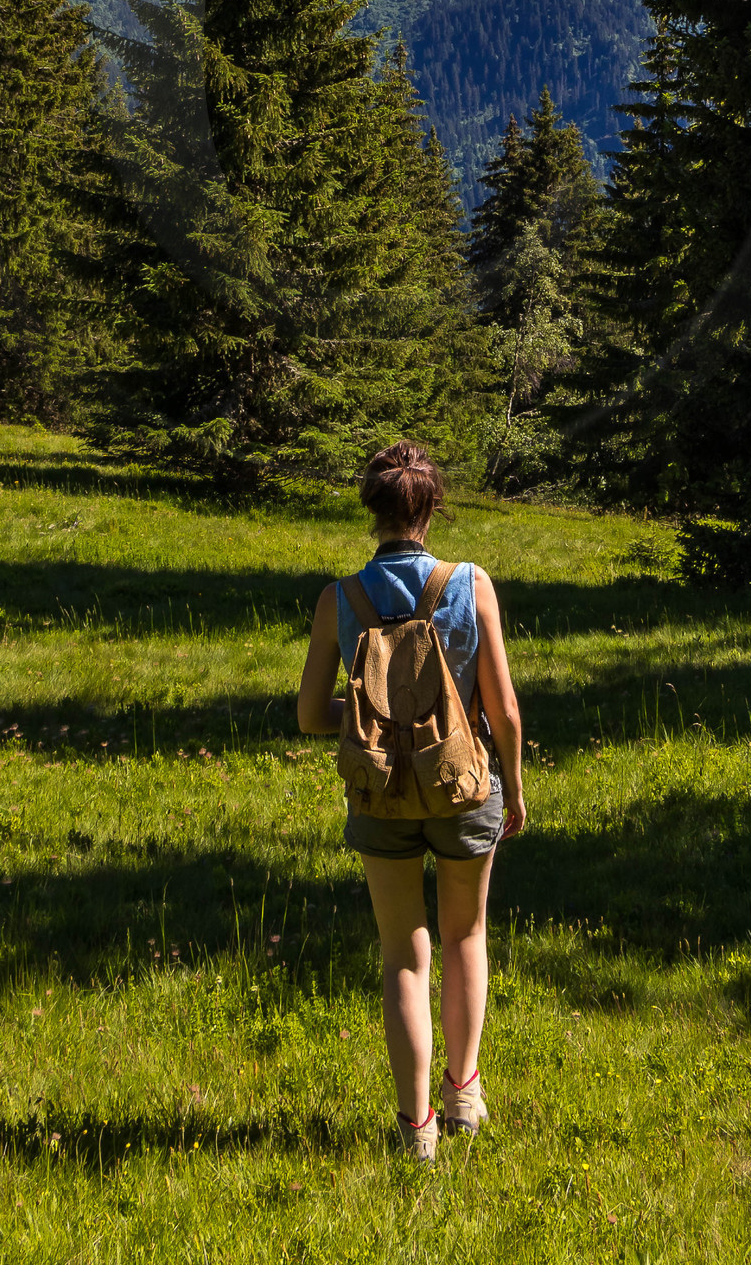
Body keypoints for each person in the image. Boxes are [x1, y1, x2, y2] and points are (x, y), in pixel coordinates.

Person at [296, 439, 527, 1161]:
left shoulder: (341, 598)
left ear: (374, 510)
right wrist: (513, 790)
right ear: (431, 508)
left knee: (403, 953)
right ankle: (465, 1092)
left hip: (379, 794)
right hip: (463, 787)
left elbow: (309, 714)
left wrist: (372, 718)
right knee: (464, 935)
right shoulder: (472, 583)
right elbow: (506, 711)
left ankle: (415, 1129)